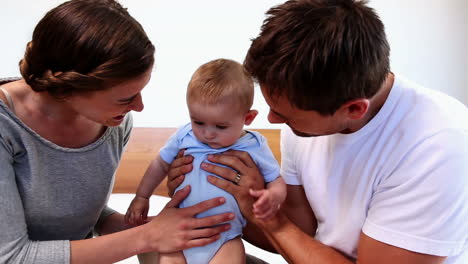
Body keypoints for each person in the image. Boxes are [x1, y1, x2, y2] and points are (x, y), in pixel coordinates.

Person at [167, 0, 468, 263]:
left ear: (353, 109)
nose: (272, 120)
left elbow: (285, 229)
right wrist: (219, 196)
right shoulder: (304, 119)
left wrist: (274, 222)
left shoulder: (436, 145)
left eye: (285, 115)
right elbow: (301, 231)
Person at [0, 1, 235, 263]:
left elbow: (82, 218)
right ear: (71, 86)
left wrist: (154, 227)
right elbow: (11, 257)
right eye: (125, 98)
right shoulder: (6, 127)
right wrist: (147, 236)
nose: (139, 106)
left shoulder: (115, 122)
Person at [125, 58, 286, 264]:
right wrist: (142, 196)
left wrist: (273, 196)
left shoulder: (254, 145)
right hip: (177, 232)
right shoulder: (184, 135)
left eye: (220, 127)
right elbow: (160, 164)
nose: (208, 134)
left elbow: (276, 179)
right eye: (198, 122)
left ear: (248, 118)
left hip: (225, 237)